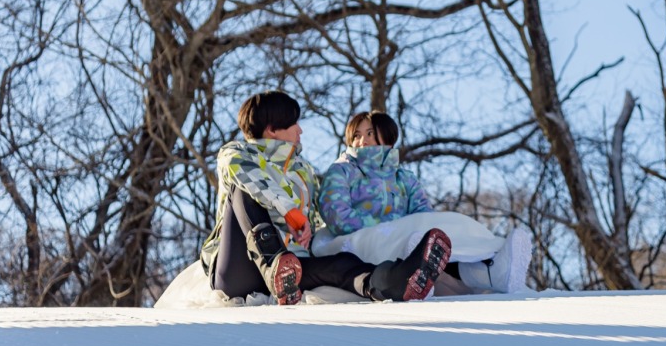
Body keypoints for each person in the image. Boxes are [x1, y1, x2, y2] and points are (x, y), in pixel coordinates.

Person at [200, 90, 451, 306]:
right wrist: (290, 213)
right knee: (242, 192)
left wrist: (310, 232)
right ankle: (272, 261)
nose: (300, 129)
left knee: (342, 264)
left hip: (291, 271)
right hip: (238, 271)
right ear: (272, 130)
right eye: (293, 124)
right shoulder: (236, 154)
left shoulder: (304, 171)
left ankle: (394, 282)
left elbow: (320, 218)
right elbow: (249, 177)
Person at [318, 109, 532, 294]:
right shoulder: (342, 170)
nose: (362, 140)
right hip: (357, 240)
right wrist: (387, 228)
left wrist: (407, 229)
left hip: (400, 237)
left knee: (448, 225)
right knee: (414, 240)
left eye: (370, 133)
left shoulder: (404, 178)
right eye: (356, 135)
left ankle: (489, 268)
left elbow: (423, 214)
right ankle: (423, 267)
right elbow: (337, 215)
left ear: (388, 137)